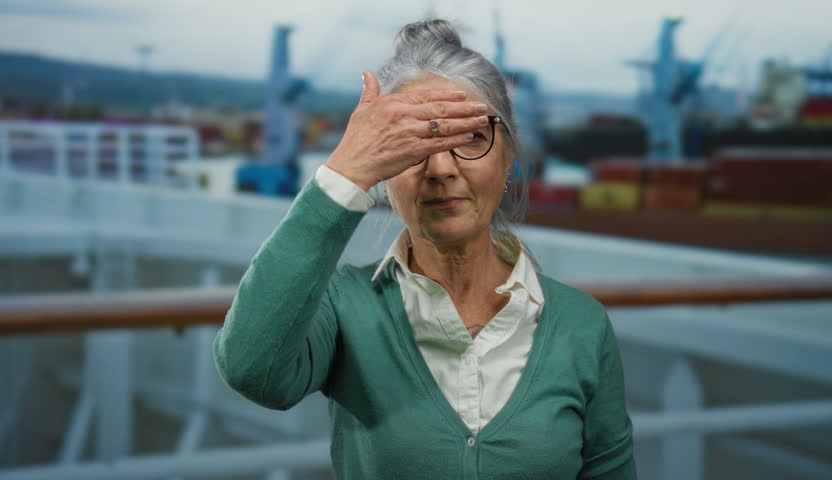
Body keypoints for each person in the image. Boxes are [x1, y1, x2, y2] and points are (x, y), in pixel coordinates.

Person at [213, 19, 636, 479]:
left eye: (471, 137)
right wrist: (343, 174)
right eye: (411, 142)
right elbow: (252, 370)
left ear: (509, 156)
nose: (440, 167)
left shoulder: (582, 324)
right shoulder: (343, 306)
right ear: (384, 171)